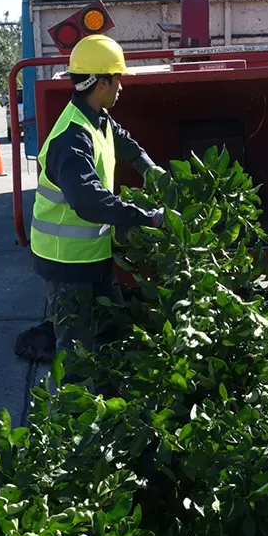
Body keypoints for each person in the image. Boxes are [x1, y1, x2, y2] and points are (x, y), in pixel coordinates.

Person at [31, 34, 165, 359]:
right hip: (66, 262)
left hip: (92, 255)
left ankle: (108, 399)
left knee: (111, 332)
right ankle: (73, 410)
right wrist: (146, 218)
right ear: (102, 83)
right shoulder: (71, 139)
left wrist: (149, 169)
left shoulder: (97, 118)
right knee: (75, 351)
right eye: (118, 79)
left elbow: (123, 140)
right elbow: (87, 200)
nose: (122, 87)